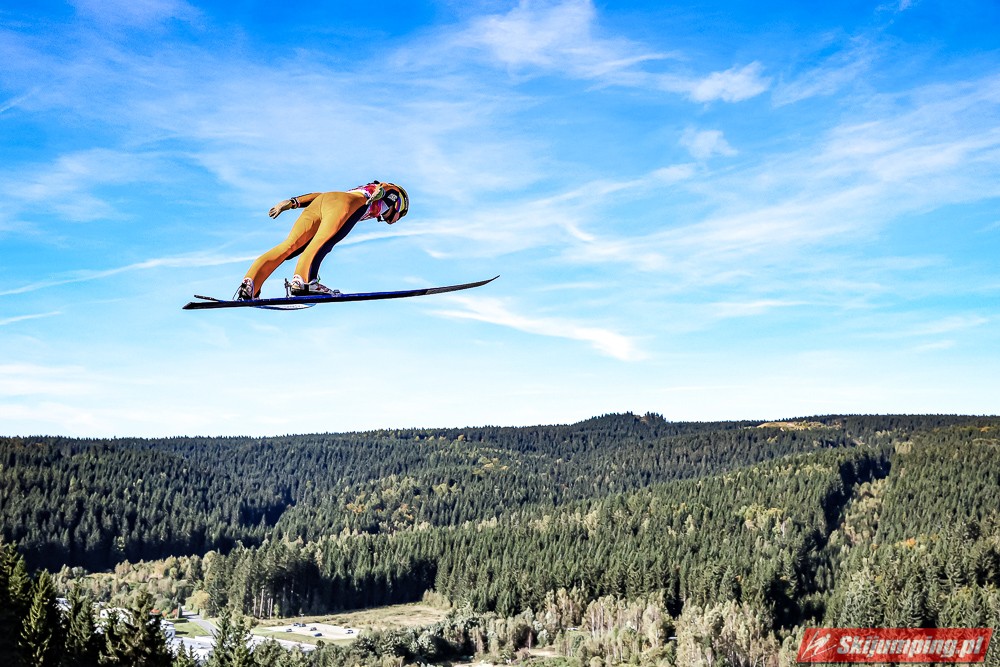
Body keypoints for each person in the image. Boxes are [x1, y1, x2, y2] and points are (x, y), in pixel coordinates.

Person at [235, 180, 409, 299]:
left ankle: (250, 284)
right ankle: (304, 282)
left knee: (290, 246)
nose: (395, 220)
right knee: (322, 242)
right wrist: (382, 191)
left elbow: (323, 196)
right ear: (399, 206)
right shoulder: (390, 196)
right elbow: (389, 189)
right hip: (343, 205)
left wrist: (293, 202)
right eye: (400, 215)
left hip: (321, 201)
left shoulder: (364, 192)